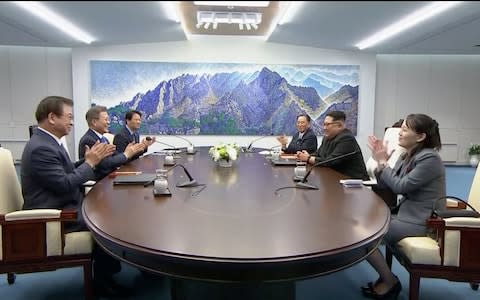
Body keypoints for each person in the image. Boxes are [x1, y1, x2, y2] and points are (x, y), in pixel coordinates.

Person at [21, 96, 129, 297]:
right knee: (107, 219)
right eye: (69, 117)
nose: (72, 122)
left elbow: (67, 171)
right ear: (52, 117)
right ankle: (103, 280)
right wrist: (90, 163)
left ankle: (108, 274)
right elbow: (64, 184)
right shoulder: (41, 148)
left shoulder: (49, 142)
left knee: (109, 211)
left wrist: (89, 161)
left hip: (65, 203)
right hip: (55, 213)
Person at [361, 113, 445, 299]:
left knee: (365, 237)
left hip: (422, 220)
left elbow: (401, 186)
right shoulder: (407, 156)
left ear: (421, 136)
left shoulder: (430, 159)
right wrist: (379, 162)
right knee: (362, 228)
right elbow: (385, 185)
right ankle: (387, 278)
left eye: (405, 129)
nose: (399, 133)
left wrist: (383, 163)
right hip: (405, 214)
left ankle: (389, 281)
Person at [296, 110, 369, 180]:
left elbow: (330, 162)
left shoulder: (347, 139)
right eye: (324, 124)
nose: (324, 128)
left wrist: (308, 158)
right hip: (334, 179)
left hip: (354, 184)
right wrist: (305, 155)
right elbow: (318, 154)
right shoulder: (327, 137)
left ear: (340, 125)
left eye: (328, 125)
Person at [78, 105, 145, 180]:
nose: (108, 122)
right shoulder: (89, 140)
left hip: (109, 178)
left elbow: (115, 155)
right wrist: (126, 154)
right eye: (106, 120)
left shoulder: (104, 139)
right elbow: (105, 164)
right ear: (94, 122)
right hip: (99, 183)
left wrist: (130, 151)